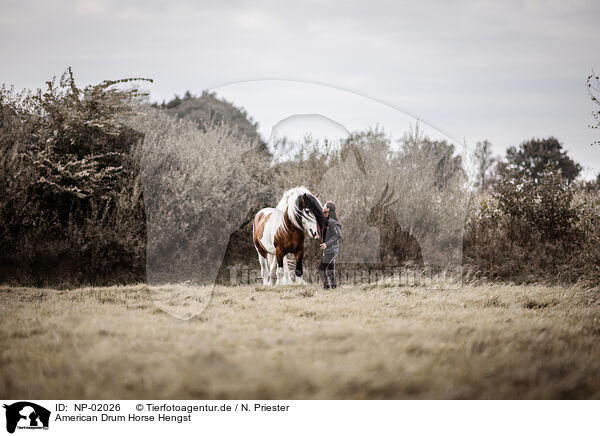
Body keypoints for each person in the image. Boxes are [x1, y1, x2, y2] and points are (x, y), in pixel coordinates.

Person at [318, 201, 342, 289]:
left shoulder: (332, 222)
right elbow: (327, 234)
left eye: (324, 206)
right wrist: (318, 235)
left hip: (331, 250)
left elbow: (339, 235)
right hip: (329, 250)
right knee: (330, 270)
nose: (322, 207)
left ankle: (326, 287)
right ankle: (334, 287)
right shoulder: (326, 221)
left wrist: (326, 244)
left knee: (321, 269)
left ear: (328, 209)